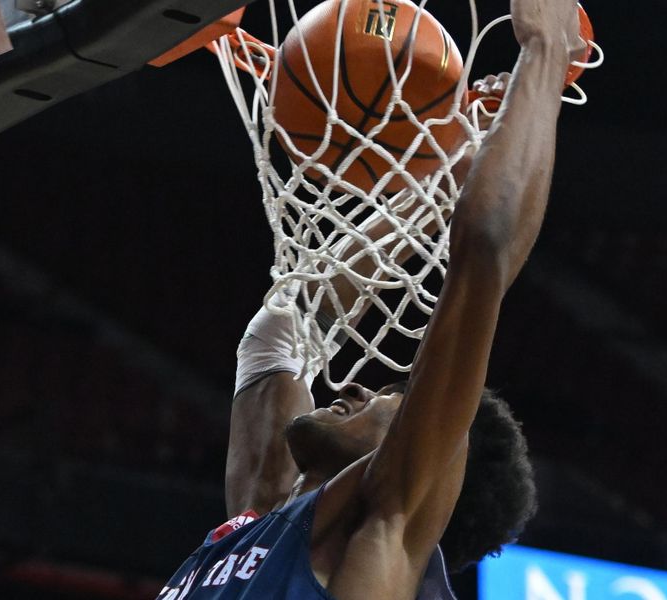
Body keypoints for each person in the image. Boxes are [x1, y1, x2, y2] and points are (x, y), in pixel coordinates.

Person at [158, 0, 586, 597]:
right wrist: (447, 170)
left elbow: (484, 252)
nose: (354, 386)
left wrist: (544, 51)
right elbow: (285, 328)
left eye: (391, 397)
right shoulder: (255, 529)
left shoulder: (378, 538)